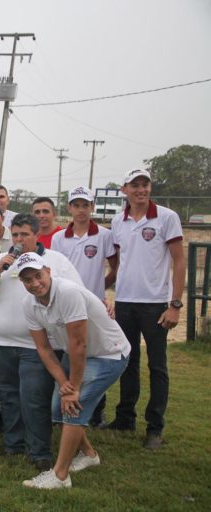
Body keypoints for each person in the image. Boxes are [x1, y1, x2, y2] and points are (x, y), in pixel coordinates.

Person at [0, 213, 83, 471]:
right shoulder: (0, 260)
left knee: (34, 399)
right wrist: (1, 269)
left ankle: (39, 451)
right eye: (16, 235)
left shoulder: (55, 261)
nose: (19, 240)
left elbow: (76, 293)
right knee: (8, 396)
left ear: (36, 235)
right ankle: (14, 444)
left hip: (38, 346)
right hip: (0, 343)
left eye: (25, 235)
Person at [17, 253, 130, 489]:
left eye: (38, 275)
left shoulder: (68, 292)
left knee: (73, 409)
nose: (35, 283)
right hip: (75, 354)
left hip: (108, 354)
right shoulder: (29, 304)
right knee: (58, 408)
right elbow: (44, 347)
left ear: (47, 271)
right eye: (27, 280)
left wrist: (73, 389)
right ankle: (89, 455)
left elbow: (80, 344)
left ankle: (60, 476)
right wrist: (62, 381)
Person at [107, 169, 186, 450]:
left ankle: (155, 427)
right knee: (127, 361)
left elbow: (179, 262)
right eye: (135, 185)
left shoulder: (166, 217)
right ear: (124, 189)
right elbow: (118, 263)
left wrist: (175, 304)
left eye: (145, 184)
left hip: (155, 304)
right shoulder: (118, 221)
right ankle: (125, 417)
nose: (141, 190)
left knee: (157, 365)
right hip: (126, 302)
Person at [51, 186, 117, 427]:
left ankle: (95, 410)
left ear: (92, 207)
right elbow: (56, 269)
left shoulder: (103, 235)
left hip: (93, 307)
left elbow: (114, 265)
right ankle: (65, 407)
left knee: (95, 355)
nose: (81, 210)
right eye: (76, 205)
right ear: (69, 208)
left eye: (85, 205)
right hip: (67, 305)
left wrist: (101, 289)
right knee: (70, 353)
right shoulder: (59, 238)